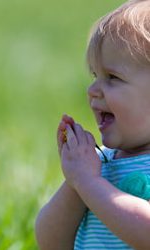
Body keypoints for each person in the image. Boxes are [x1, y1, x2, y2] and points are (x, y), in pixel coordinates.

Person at [35, 0, 150, 249]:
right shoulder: (99, 167)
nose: (92, 90)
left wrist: (89, 183)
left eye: (113, 77)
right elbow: (50, 243)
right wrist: (75, 182)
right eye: (95, 76)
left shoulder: (94, 179)